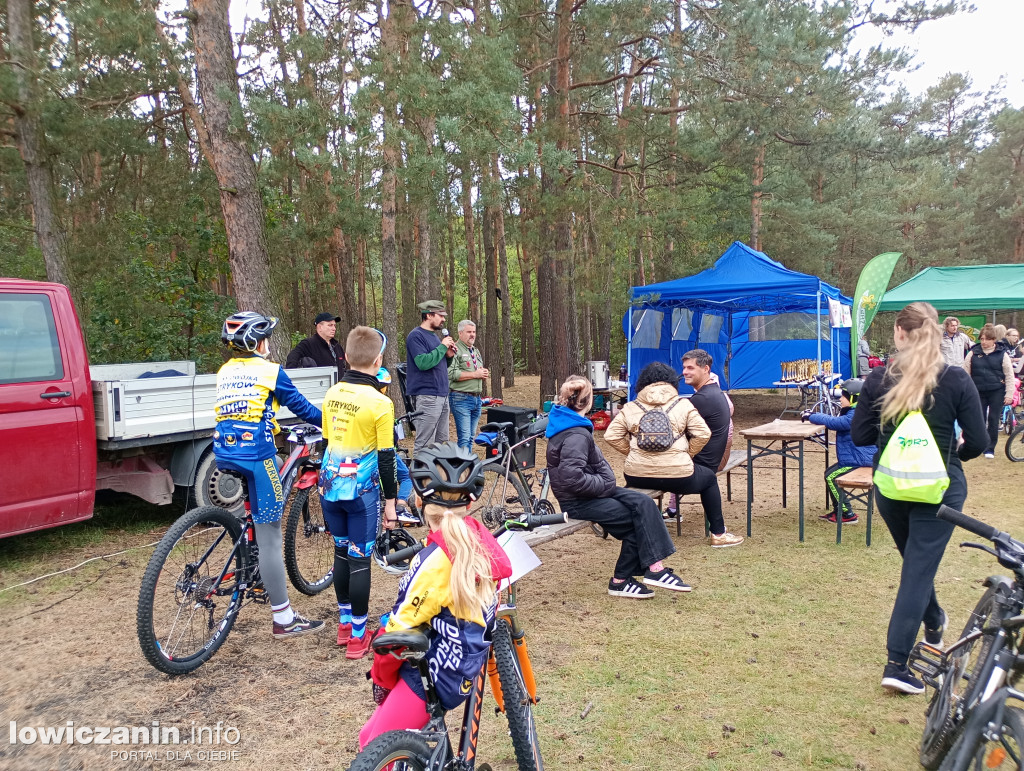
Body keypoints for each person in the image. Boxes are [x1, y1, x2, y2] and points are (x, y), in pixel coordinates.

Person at [851, 302, 986, 694]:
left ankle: (934, 621)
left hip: (892, 487)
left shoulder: (878, 379)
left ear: (899, 332)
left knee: (915, 566)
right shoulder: (957, 379)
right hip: (940, 489)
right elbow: (979, 440)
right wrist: (952, 456)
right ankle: (897, 663)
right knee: (918, 568)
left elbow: (860, 436)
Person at [358, 443, 512, 749]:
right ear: (469, 506)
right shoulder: (476, 541)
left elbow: (399, 631)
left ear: (418, 500)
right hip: (461, 665)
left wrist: (381, 679)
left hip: (437, 674)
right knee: (369, 736)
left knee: (373, 743)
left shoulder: (436, 560)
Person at [213, 311, 326, 639]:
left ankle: (255, 569)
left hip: (224, 451)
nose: (269, 344)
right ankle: (283, 618)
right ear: (256, 341)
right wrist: (334, 421)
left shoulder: (224, 371)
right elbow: (303, 409)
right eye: (266, 337)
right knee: (271, 537)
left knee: (275, 467)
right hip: (254, 454)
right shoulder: (269, 371)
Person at [545, 375, 691, 597]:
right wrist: (603, 484)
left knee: (643, 502)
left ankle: (655, 568)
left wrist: (603, 485)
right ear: (587, 402)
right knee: (636, 521)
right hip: (579, 501)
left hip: (594, 492)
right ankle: (621, 580)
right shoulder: (575, 433)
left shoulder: (572, 424)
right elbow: (571, 478)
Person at [319, 325, 398, 659]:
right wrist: (391, 505)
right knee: (359, 561)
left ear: (347, 356)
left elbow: (326, 442)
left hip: (329, 488)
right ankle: (358, 637)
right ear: (378, 359)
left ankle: (344, 623)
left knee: (340, 554)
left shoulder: (331, 394)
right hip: (362, 494)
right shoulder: (380, 403)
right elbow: (386, 459)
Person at [605, 361, 744, 549]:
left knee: (633, 487)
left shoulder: (630, 407)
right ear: (671, 382)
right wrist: (687, 453)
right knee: (709, 479)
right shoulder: (683, 405)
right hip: (679, 476)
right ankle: (718, 534)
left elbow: (610, 436)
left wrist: (632, 452)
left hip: (637, 476)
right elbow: (703, 433)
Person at [801, 379, 876, 524]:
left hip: (859, 460)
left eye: (844, 396)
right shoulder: (861, 410)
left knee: (831, 477)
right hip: (859, 458)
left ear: (854, 398)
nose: (840, 399)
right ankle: (839, 510)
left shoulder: (856, 414)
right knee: (830, 473)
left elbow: (836, 423)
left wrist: (811, 416)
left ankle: (847, 514)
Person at [405, 300, 457, 455]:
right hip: (427, 396)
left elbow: (437, 365)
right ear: (428, 315)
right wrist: (442, 347)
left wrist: (448, 356)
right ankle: (420, 478)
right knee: (425, 444)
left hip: (442, 395)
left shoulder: (434, 337)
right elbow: (423, 363)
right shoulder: (416, 336)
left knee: (440, 442)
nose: (443, 319)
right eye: (440, 315)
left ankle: (436, 477)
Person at [964, 323, 1015, 459]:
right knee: (979, 418)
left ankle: (990, 448)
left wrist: (1009, 394)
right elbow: (965, 374)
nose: (984, 342)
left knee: (993, 419)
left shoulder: (1002, 354)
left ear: (993, 340)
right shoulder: (973, 353)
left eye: (987, 339)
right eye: (982, 339)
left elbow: (1009, 375)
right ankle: (978, 444)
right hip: (978, 391)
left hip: (996, 391)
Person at [681, 349, 731, 472]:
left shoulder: (703, 399)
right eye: (684, 368)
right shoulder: (715, 392)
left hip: (701, 466)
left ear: (706, 369)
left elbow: (676, 430)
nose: (685, 372)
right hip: (712, 461)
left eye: (690, 368)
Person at [448, 319, 489, 450]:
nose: (472, 335)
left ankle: (467, 467)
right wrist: (475, 375)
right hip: (460, 398)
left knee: (471, 437)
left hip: (476, 399)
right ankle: (461, 469)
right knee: (465, 438)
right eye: (469, 332)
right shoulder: (454, 349)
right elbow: (451, 374)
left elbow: (475, 370)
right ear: (460, 333)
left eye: (474, 332)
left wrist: (482, 372)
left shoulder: (475, 350)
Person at [285, 312, 347, 378]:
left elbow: (342, 368)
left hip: (339, 387)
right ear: (320, 327)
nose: (334, 328)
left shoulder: (337, 346)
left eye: (334, 325)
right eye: (330, 325)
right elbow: (291, 362)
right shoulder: (308, 344)